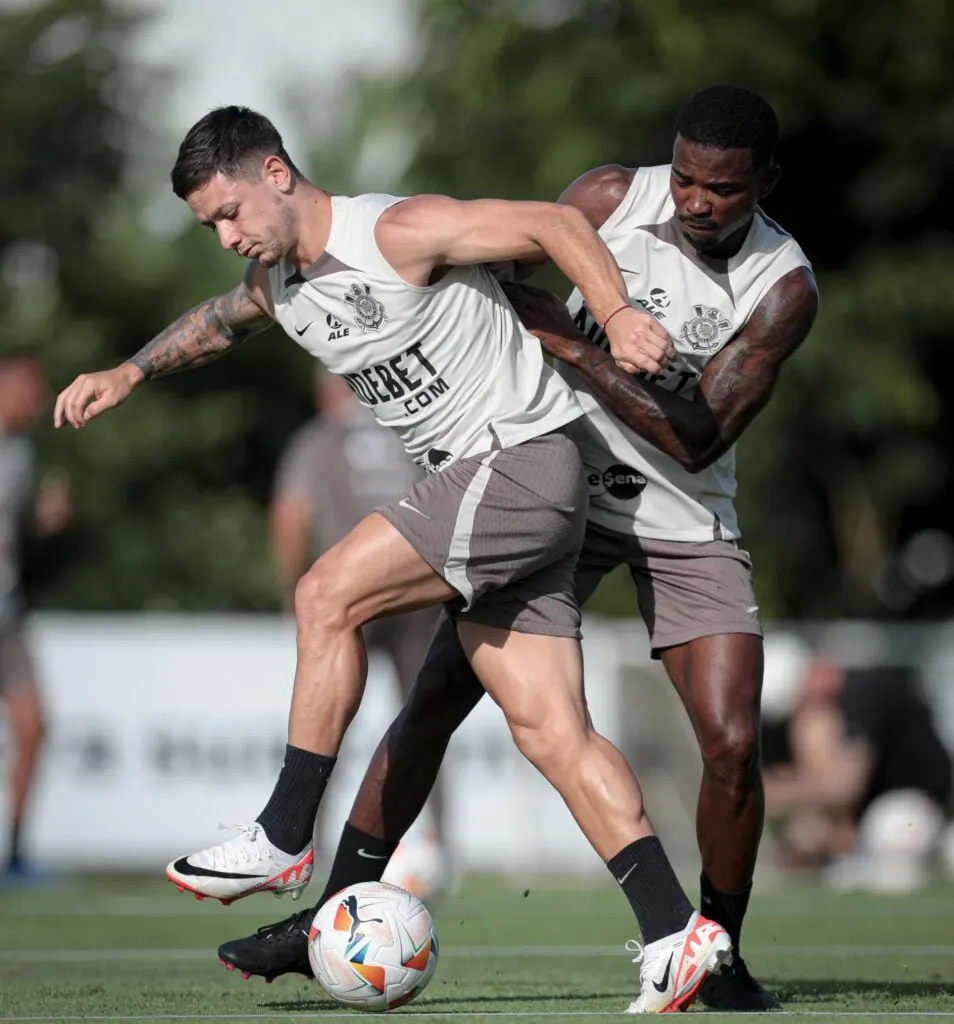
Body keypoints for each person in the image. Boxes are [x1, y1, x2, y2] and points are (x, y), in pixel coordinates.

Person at [53, 106, 730, 1013]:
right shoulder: (279, 284)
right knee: (552, 734)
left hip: (517, 463)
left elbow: (556, 222)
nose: (225, 236)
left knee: (324, 591)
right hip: (513, 498)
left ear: (276, 174)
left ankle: (284, 832)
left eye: (229, 212)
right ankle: (673, 931)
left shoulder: (394, 231)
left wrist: (613, 309)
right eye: (208, 224)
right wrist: (128, 373)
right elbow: (218, 324)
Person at [217, 84, 817, 1012]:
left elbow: (700, 437)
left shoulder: (784, 287)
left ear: (765, 184)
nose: (696, 202)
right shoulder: (616, 198)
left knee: (734, 744)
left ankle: (714, 953)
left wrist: (577, 348)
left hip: (683, 517)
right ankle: (326, 915)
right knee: (430, 706)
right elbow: (511, 258)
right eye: (687, 178)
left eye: (723, 191)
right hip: (554, 487)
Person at [270, 369, 445, 890]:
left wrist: (292, 587)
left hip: (350, 596)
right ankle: (437, 848)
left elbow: (288, 514)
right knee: (429, 721)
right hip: (419, 590)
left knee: (327, 725)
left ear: (328, 391)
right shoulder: (410, 426)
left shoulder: (316, 439)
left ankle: (301, 845)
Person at [761, 650, 953, 893]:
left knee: (895, 835)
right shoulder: (834, 705)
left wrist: (768, 795)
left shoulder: (863, 692)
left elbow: (844, 787)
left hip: (911, 804)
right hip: (871, 814)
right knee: (804, 835)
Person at [0, 353, 71, 881]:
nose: (36, 400)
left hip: (9, 610)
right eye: (27, 388)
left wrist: (42, 522)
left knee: (34, 725)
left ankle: (17, 853)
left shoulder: (21, 453)